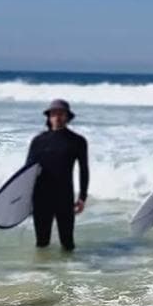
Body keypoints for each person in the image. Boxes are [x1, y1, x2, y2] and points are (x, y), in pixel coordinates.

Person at [25, 99, 89, 251]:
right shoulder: (38, 141)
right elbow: (27, 170)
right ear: (49, 116)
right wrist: (23, 199)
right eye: (54, 114)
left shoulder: (77, 141)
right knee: (42, 242)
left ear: (67, 117)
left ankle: (68, 273)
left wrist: (82, 197)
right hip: (40, 197)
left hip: (64, 197)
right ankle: (42, 273)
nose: (57, 117)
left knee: (67, 243)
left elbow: (84, 170)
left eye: (61, 114)